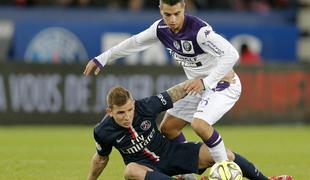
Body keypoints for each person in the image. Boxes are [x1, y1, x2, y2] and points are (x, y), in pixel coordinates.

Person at [83, 0, 292, 179]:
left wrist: (206, 81)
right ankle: (188, 173)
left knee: (200, 124)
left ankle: (226, 172)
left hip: (222, 85)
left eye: (177, 13)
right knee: (168, 128)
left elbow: (232, 55)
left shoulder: (199, 32)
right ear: (160, 11)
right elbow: (134, 42)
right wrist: (103, 58)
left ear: (184, 7)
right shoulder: (160, 29)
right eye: (167, 14)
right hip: (197, 87)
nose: (172, 19)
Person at [85, 80, 292, 180]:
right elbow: (100, 159)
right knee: (130, 170)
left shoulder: (144, 106)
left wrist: (203, 79)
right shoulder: (102, 131)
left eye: (130, 109)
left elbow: (174, 93)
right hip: (147, 170)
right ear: (109, 112)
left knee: (224, 154)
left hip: (172, 154)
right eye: (121, 113)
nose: (128, 116)